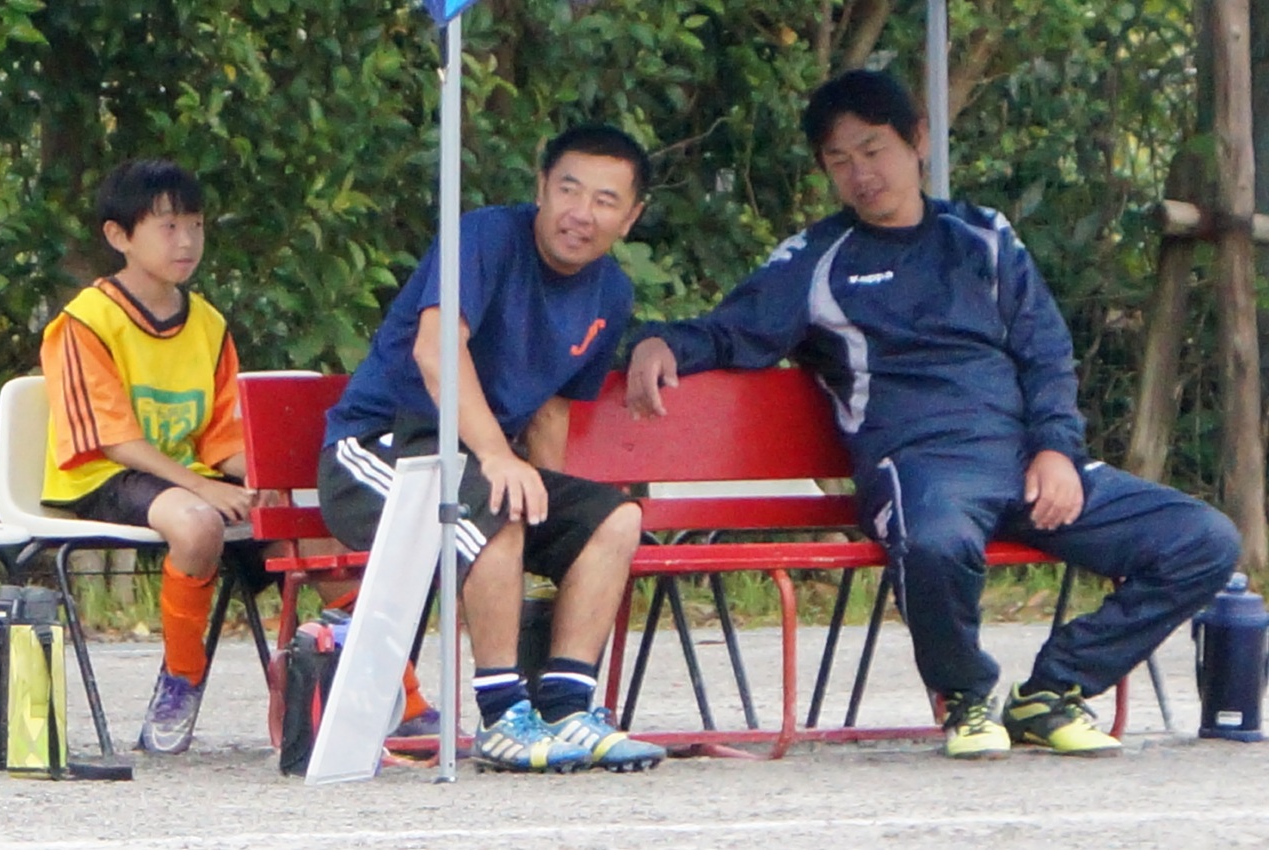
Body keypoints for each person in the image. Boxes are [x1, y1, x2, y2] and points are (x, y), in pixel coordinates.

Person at [625, 69, 1241, 760]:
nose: (862, 174)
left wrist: (1056, 451)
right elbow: (729, 331)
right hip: (918, 470)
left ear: (917, 141)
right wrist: (659, 343)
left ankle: (1053, 691)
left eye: (874, 149)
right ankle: (966, 697)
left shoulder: (984, 237)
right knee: (937, 541)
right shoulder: (818, 260)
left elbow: (1046, 354)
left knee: (1202, 539)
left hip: (1025, 465)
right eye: (840, 160)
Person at [38, 160, 434, 754]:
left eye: (195, 225)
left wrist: (261, 477)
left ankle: (404, 698)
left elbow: (221, 436)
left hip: (184, 478)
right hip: (104, 476)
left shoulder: (208, 323)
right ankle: (181, 677)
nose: (187, 241)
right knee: (198, 524)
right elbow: (112, 439)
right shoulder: (84, 322)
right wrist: (203, 488)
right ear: (119, 236)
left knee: (313, 532)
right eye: (168, 226)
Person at [318, 126, 667, 773]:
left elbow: (552, 409)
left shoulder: (611, 293)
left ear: (630, 216)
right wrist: (500, 460)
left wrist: (548, 517)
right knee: (494, 504)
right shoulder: (483, 238)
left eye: (604, 200)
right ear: (541, 188)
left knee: (616, 519)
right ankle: (503, 717)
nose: (581, 213)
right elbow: (436, 351)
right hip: (381, 448)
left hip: (477, 464)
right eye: (568, 190)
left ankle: (565, 708)